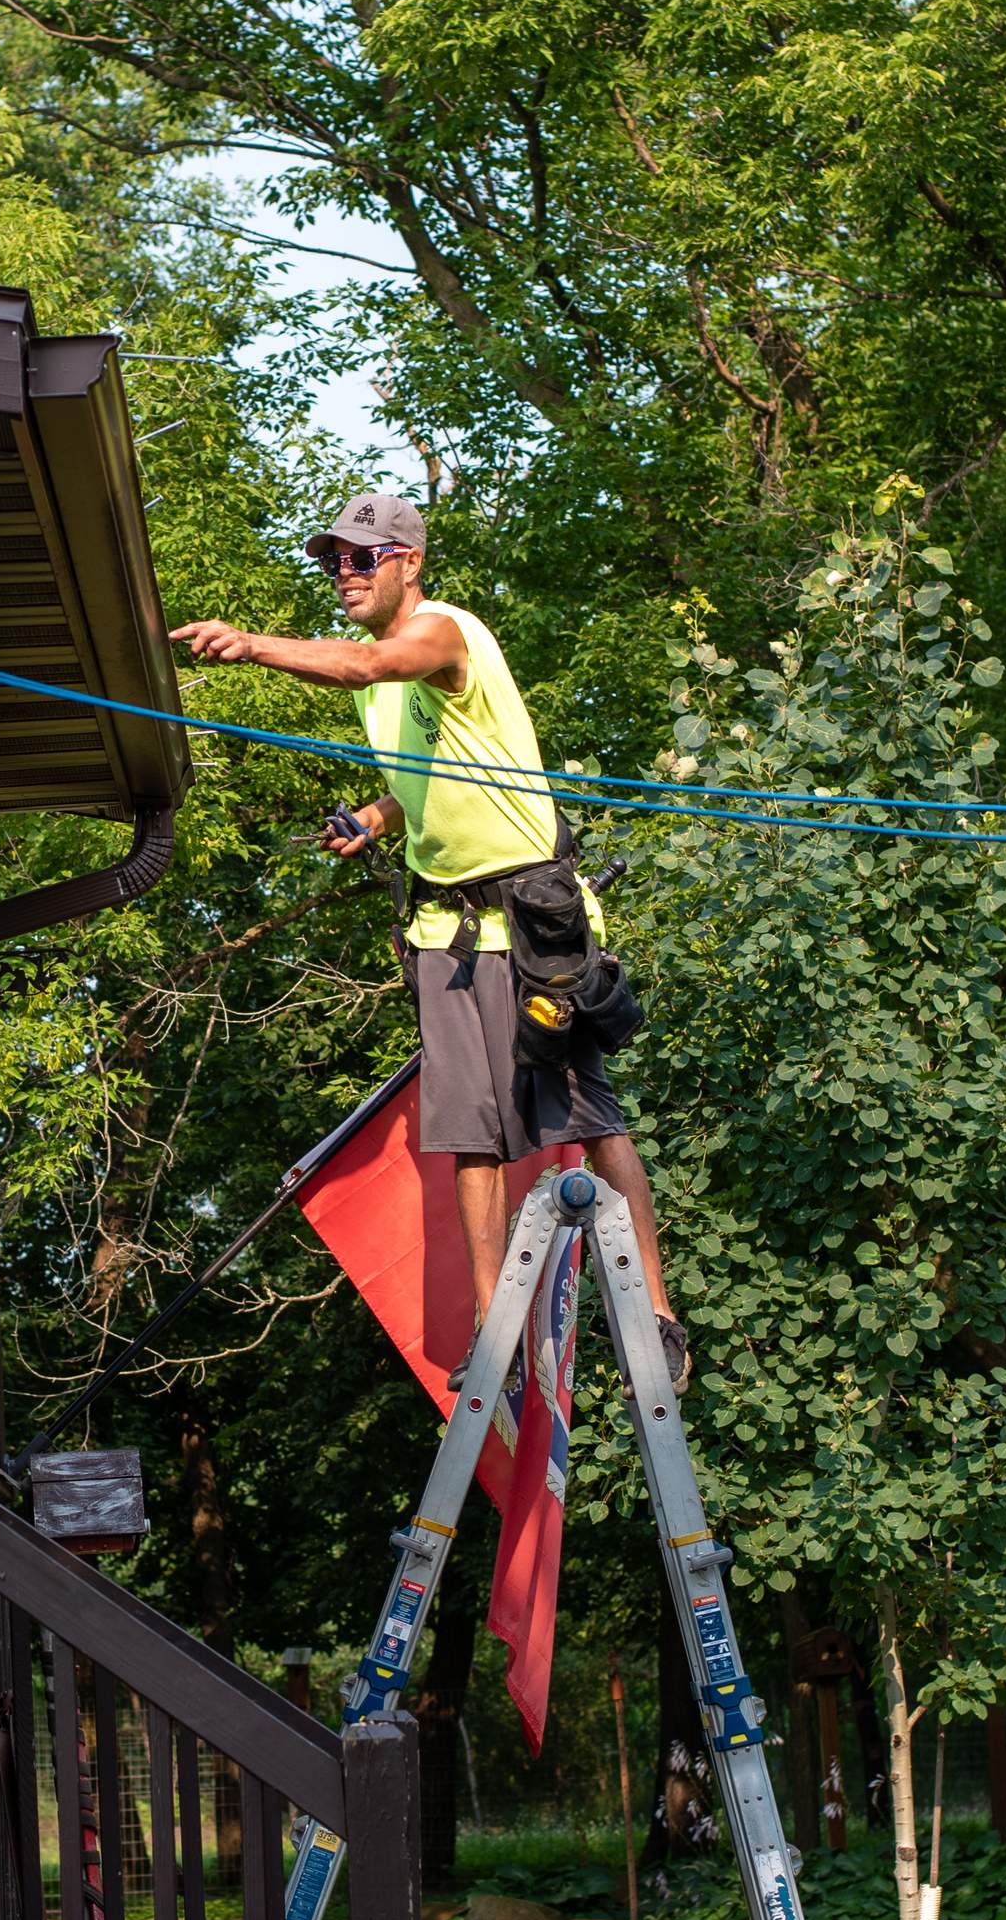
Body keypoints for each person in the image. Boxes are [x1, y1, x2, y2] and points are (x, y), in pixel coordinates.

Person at [173, 491, 685, 1371]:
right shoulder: (385, 685)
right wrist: (377, 816)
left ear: (408, 562)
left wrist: (253, 645)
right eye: (333, 559)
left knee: (593, 1119)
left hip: (531, 919)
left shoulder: (443, 634)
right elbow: (424, 784)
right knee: (468, 1139)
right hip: (447, 930)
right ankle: (499, 1339)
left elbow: (373, 669)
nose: (344, 573)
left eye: (361, 558)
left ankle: (660, 1317)